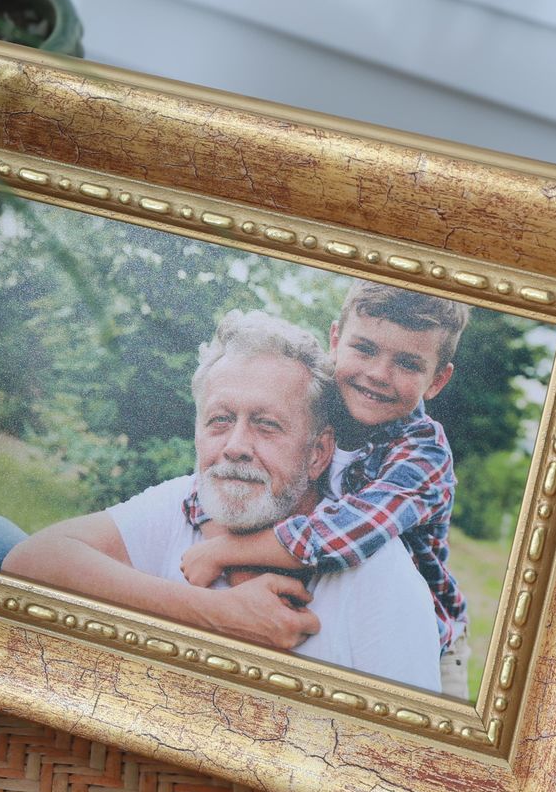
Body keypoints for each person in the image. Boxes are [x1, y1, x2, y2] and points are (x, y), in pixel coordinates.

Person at [0, 311, 441, 691]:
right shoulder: (191, 499)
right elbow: (32, 559)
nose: (235, 445)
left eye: (266, 425)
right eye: (220, 421)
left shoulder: (379, 579)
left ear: (318, 454)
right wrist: (216, 614)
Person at [173, 281, 472, 697]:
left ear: (437, 380)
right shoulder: (316, 407)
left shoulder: (424, 455)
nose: (377, 375)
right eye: (364, 349)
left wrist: (223, 550)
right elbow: (221, 486)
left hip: (427, 646)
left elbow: (343, 536)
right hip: (326, 610)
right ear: (336, 339)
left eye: (407, 363)